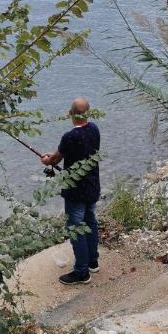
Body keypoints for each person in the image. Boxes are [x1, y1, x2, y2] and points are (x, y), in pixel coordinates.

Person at [41, 97, 100, 286]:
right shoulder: (94, 130)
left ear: (70, 113)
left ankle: (82, 272)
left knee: (76, 228)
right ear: (88, 113)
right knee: (90, 221)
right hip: (92, 186)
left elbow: (55, 159)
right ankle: (92, 261)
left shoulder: (69, 137)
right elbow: (73, 153)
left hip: (75, 190)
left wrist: (47, 160)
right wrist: (56, 156)